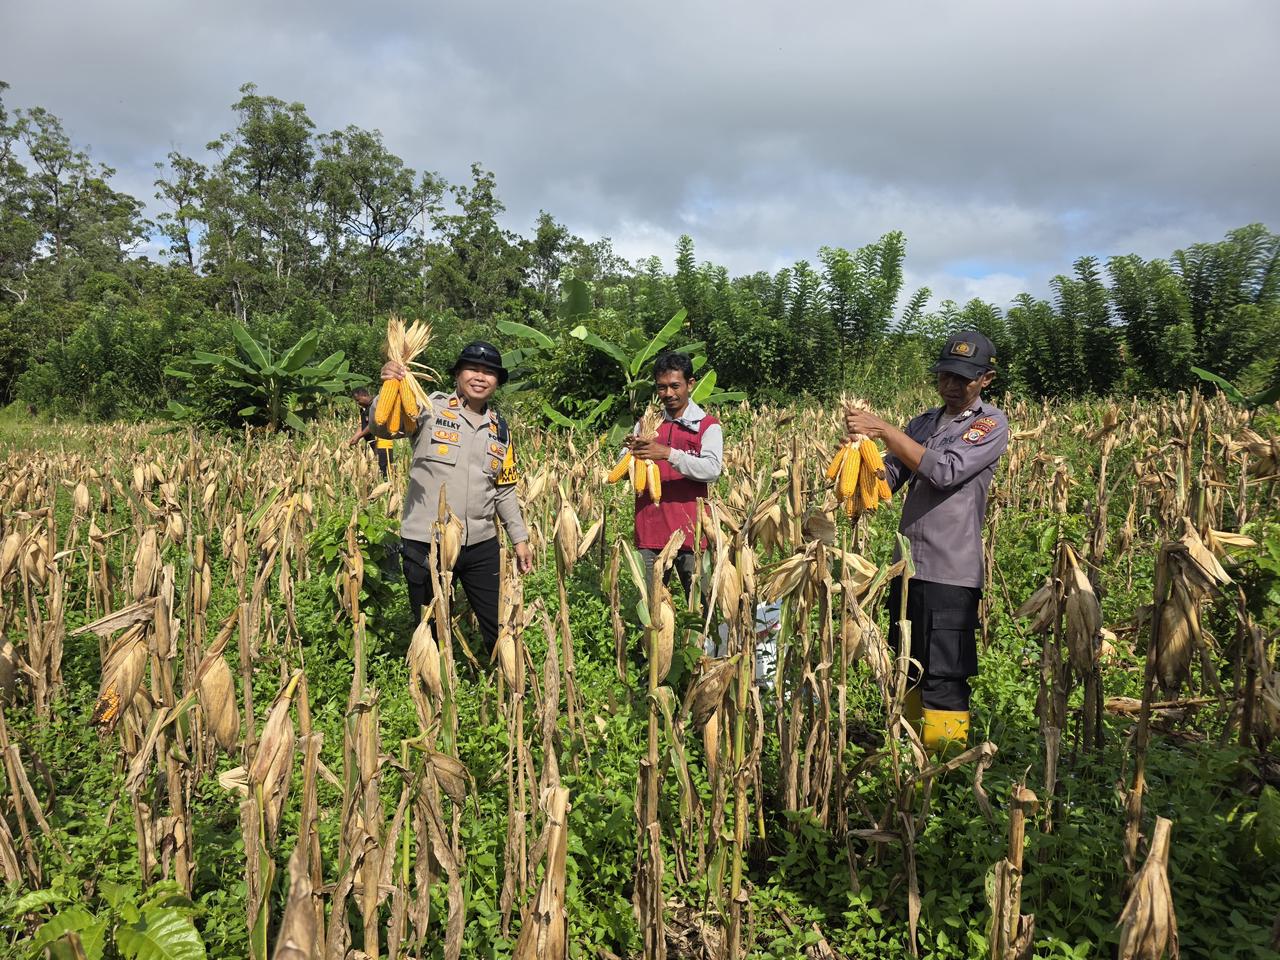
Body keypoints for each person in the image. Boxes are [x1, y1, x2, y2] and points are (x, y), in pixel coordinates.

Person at [844, 330, 1009, 753]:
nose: (951, 386)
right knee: (909, 668)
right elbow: (891, 479)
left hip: (949, 574)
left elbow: (945, 472)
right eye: (945, 377)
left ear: (985, 380)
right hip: (907, 569)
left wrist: (883, 429)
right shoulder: (921, 423)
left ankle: (946, 767)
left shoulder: (989, 424)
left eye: (963, 379)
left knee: (944, 675)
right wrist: (861, 454)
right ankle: (911, 758)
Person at [381, 341, 534, 654]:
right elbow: (383, 424)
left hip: (481, 544)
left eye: (489, 372)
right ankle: (435, 694)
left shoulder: (500, 429)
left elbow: (503, 489)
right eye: (473, 369)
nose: (480, 377)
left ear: (497, 382)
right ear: (457, 375)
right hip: (427, 541)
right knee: (431, 626)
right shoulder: (428, 408)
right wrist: (389, 387)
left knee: (500, 624)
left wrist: (519, 538)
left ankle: (505, 689)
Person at [627, 351, 724, 599]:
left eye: (674, 386)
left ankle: (708, 641)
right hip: (649, 533)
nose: (668, 394)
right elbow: (623, 470)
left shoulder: (707, 426)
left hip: (693, 534)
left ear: (690, 384)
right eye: (661, 388)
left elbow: (712, 470)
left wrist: (669, 454)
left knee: (703, 606)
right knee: (651, 610)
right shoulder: (646, 424)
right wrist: (631, 453)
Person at [348, 386, 392, 477]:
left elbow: (373, 424)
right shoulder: (364, 409)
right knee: (375, 470)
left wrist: (359, 437)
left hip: (382, 443)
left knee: (385, 471)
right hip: (372, 445)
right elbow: (362, 425)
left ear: (364, 395)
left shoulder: (376, 405)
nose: (358, 403)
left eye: (358, 400)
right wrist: (354, 437)